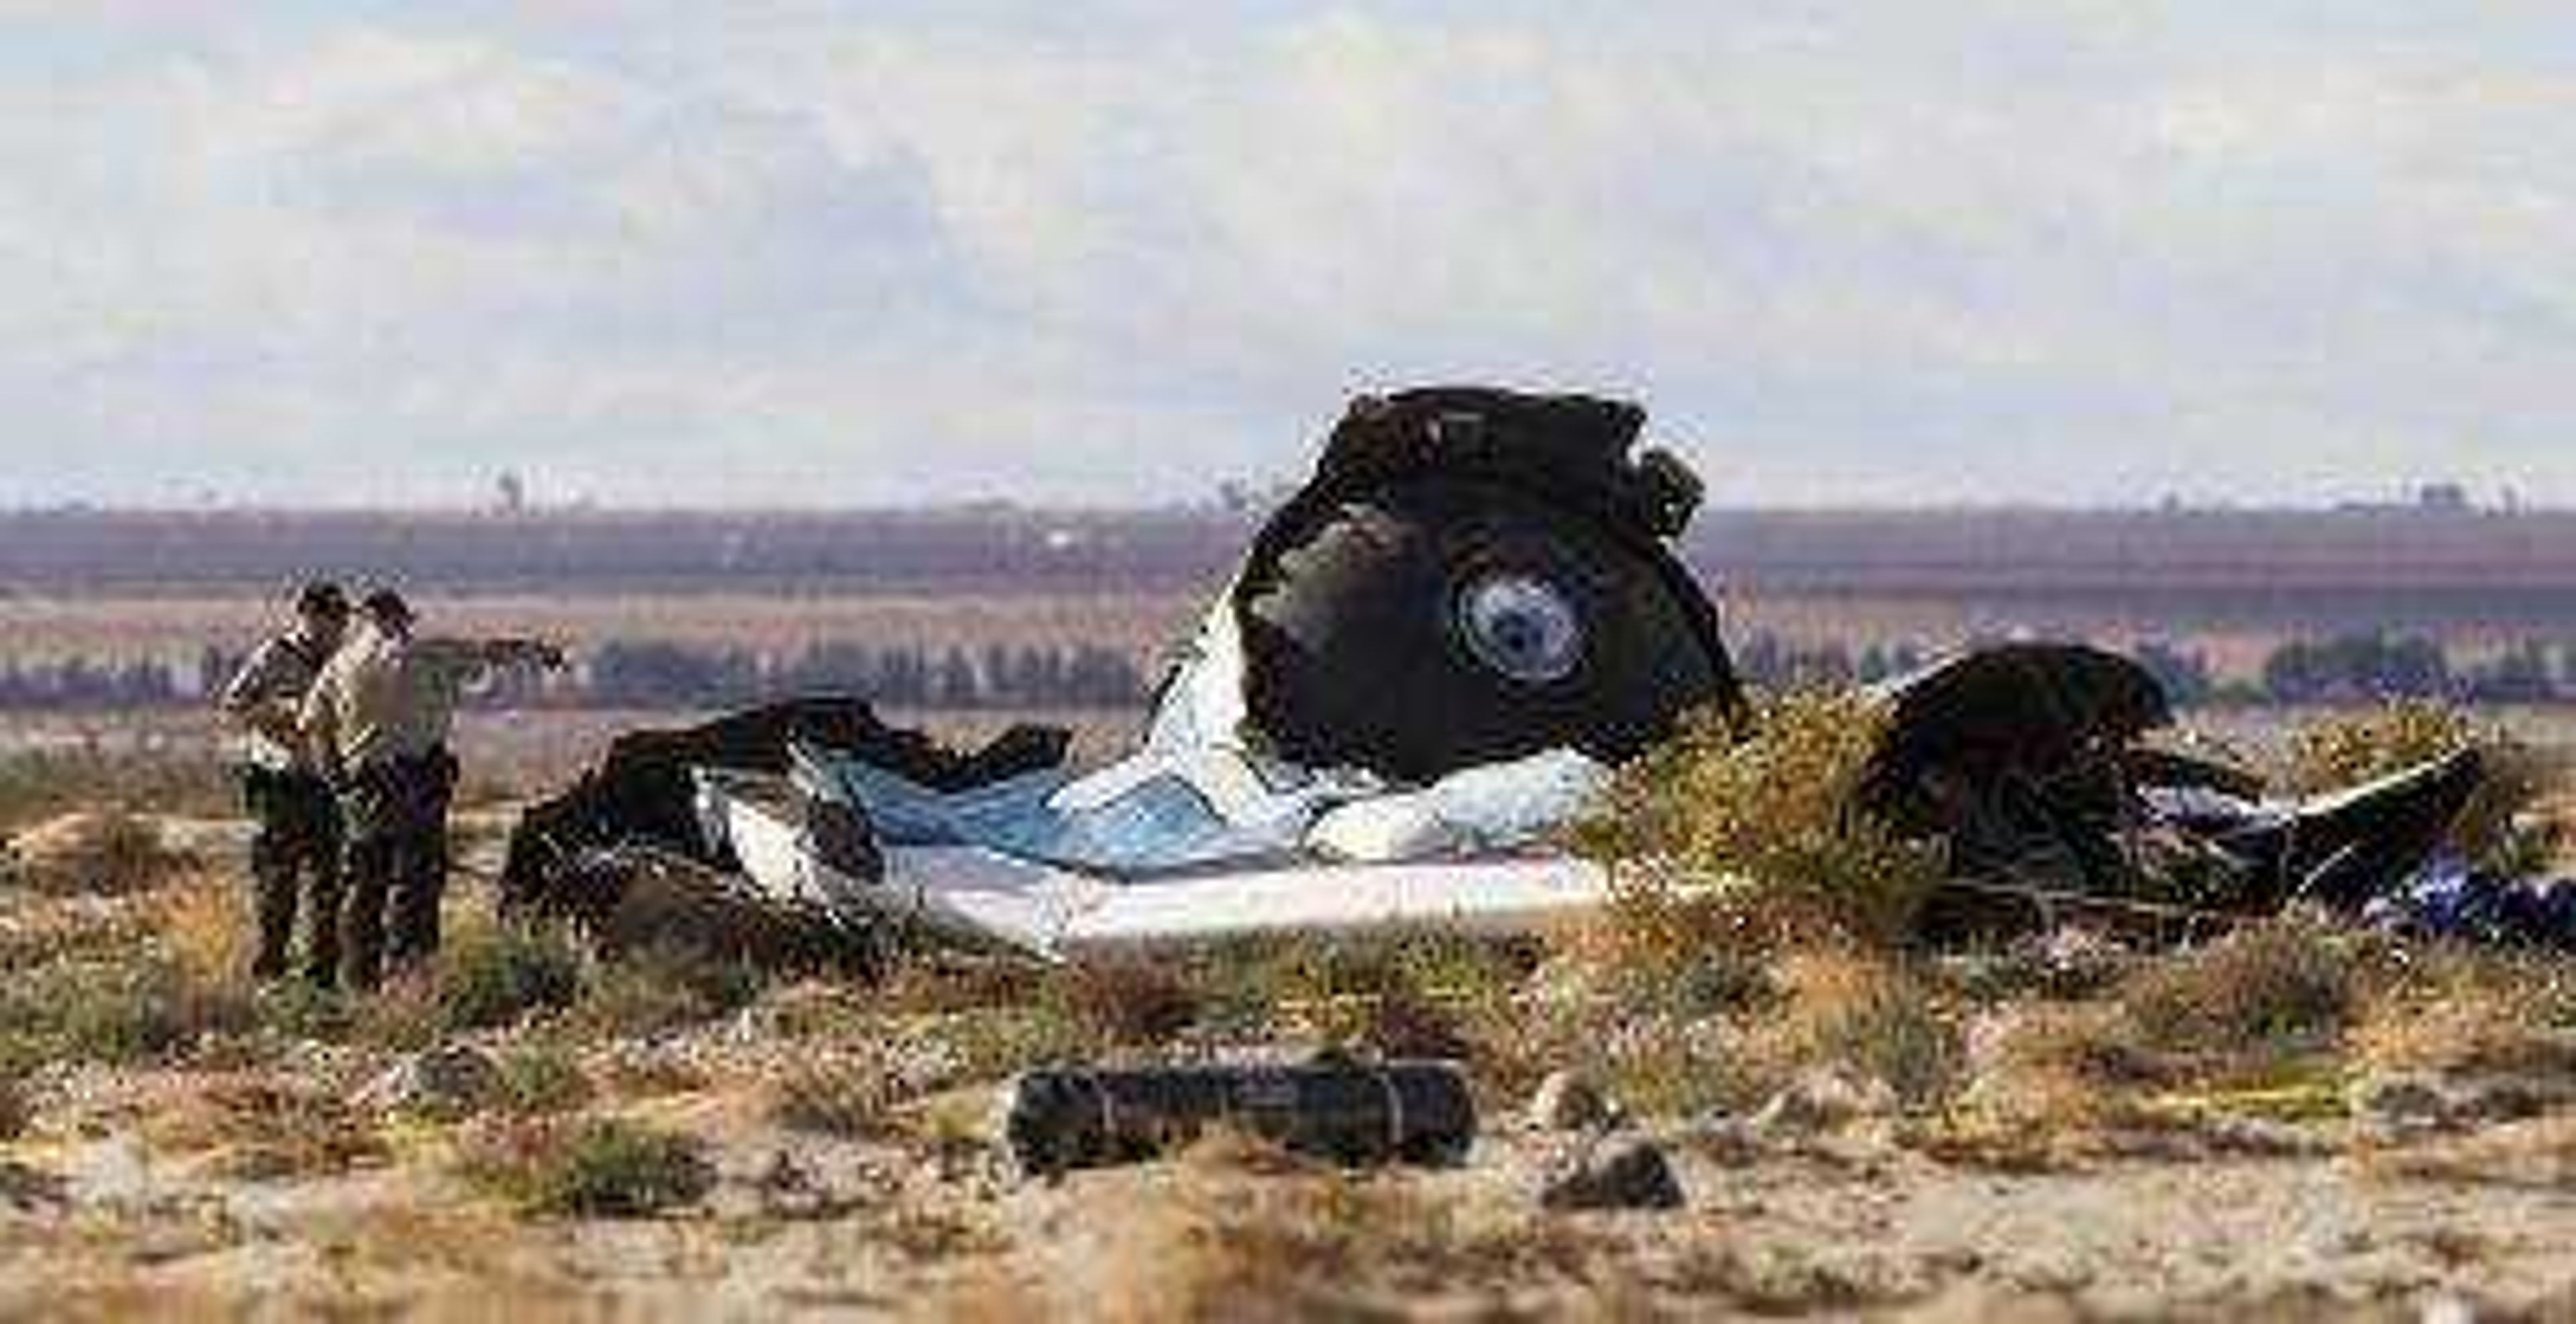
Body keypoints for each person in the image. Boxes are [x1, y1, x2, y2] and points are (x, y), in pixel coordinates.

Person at [302, 589, 566, 989]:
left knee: (365, 885)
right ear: (404, 619)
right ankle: (412, 982)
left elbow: (316, 731)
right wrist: (537, 651)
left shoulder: (341, 664)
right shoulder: (429, 652)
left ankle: (359, 982)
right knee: (417, 883)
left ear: (364, 621)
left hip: (363, 786)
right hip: (417, 782)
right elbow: (492, 652)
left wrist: (339, 785)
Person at [217, 580, 352, 984]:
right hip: (280, 784)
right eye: (329, 619)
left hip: (328, 783)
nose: (336, 628)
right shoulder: (274, 655)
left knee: (330, 884)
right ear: (307, 616)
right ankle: (270, 970)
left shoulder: (344, 660)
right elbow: (234, 705)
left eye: (340, 621)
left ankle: (321, 976)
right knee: (278, 882)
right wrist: (278, 716)